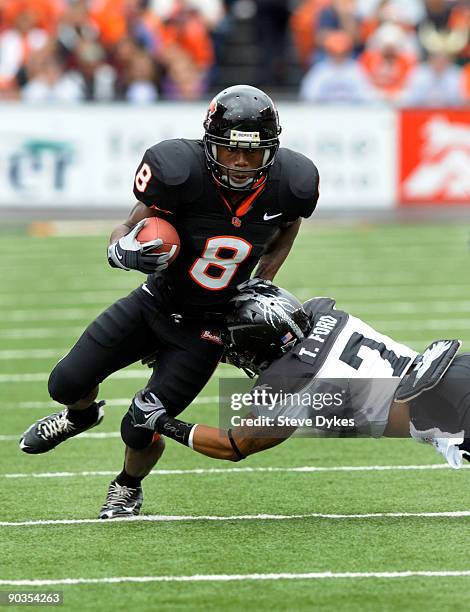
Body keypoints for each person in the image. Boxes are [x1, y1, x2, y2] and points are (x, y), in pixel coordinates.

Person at [19, 85, 320, 519]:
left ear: (270, 152)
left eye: (252, 155)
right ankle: (80, 417)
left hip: (210, 326)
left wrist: (263, 281)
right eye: (231, 151)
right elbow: (127, 225)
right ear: (209, 143)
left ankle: (127, 486)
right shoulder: (178, 170)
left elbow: (287, 226)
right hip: (154, 301)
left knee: (140, 424)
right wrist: (121, 249)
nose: (240, 163)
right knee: (64, 383)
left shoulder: (291, 183)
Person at [131, 282, 470, 471]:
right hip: (453, 367)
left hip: (441, 410)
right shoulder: (323, 315)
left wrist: (159, 421)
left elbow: (234, 445)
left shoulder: (290, 382)